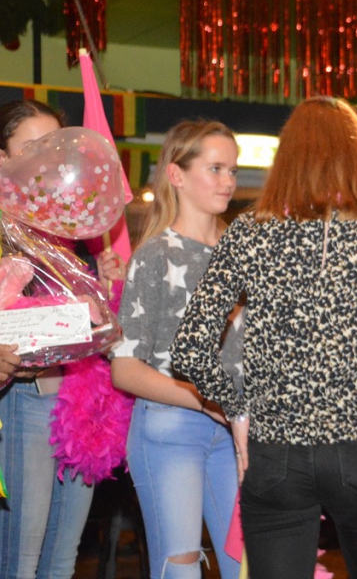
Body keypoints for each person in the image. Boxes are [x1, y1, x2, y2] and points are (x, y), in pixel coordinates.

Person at [170, 96, 357, 579]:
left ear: (287, 157)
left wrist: (237, 409)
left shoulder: (249, 235)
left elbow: (189, 350)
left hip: (275, 453)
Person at [109, 120, 243, 579]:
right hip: (172, 429)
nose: (228, 181)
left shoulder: (244, 254)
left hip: (237, 430)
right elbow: (125, 369)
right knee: (180, 566)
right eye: (215, 168)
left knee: (247, 564)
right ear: (176, 174)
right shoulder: (154, 255)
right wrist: (204, 401)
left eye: (232, 169)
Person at [0, 99, 126, 579]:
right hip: (22, 398)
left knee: (62, 560)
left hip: (77, 402)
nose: (46, 160)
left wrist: (106, 292)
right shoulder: (6, 233)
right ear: (2, 158)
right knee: (21, 560)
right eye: (32, 146)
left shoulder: (73, 240)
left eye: (54, 147)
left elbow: (96, 336)